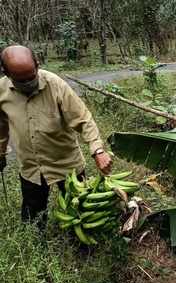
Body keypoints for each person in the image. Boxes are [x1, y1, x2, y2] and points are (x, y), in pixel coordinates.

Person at [0, 45, 112, 229]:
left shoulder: (55, 84)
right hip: (31, 167)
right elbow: (1, 126)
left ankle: (83, 247)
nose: (28, 83)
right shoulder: (2, 91)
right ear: (6, 73)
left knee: (81, 211)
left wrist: (97, 150)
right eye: (21, 81)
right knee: (32, 217)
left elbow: (83, 119)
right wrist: (1, 152)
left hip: (66, 164)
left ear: (37, 64)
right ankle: (37, 240)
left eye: (31, 77)